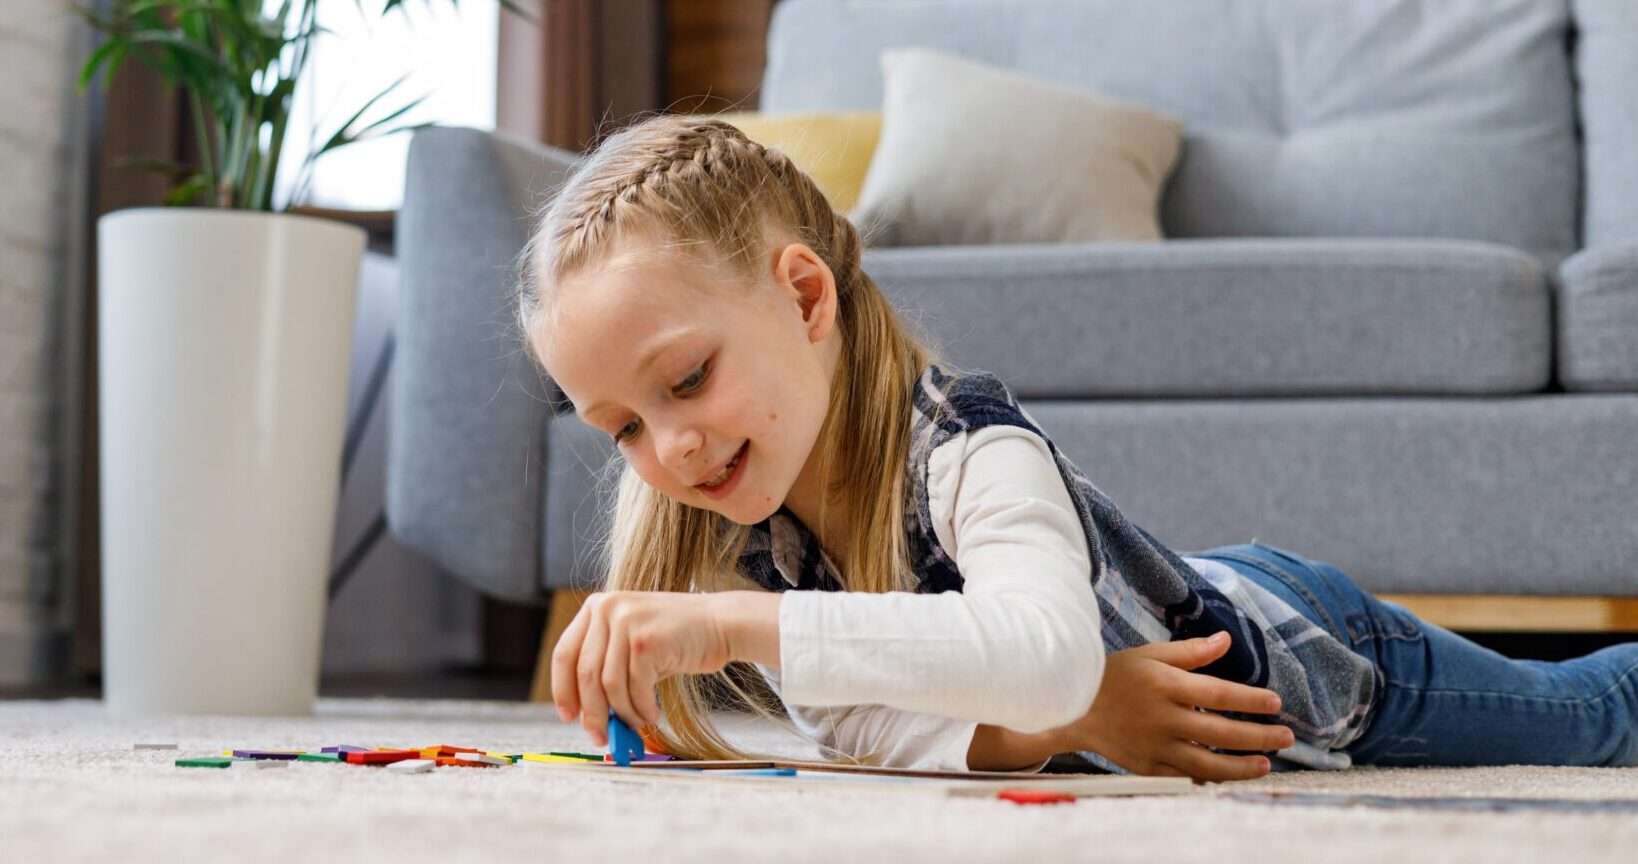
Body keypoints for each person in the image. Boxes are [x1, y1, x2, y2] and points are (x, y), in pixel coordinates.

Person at [516, 115, 1638, 779]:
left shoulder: (969, 444)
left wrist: (724, 627)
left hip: (1310, 651)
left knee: (1591, 720)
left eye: (687, 381)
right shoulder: (766, 541)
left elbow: (1042, 652)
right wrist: (1077, 721)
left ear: (806, 297)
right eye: (624, 428)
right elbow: (863, 726)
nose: (670, 448)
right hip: (1166, 620)